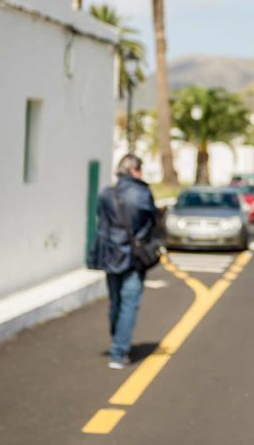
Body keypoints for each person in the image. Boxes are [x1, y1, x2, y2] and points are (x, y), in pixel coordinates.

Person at [87, 154, 157, 369]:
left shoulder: (107, 194)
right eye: (140, 169)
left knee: (116, 301)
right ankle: (119, 351)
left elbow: (101, 223)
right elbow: (151, 223)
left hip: (110, 255)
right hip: (133, 256)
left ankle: (117, 339)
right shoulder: (142, 193)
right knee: (129, 302)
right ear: (133, 170)